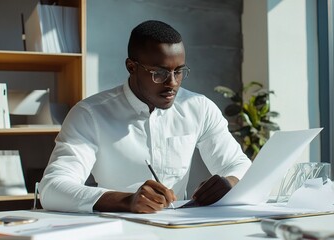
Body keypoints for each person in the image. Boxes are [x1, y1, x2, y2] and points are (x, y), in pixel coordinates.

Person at [38, 20, 251, 214]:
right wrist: (126, 201)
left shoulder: (198, 107)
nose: (173, 83)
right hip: (115, 231)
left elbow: (238, 164)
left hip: (180, 230)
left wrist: (230, 181)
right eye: (159, 73)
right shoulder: (90, 114)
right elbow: (52, 188)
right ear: (132, 67)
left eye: (179, 71)